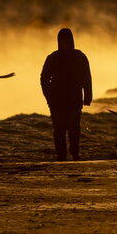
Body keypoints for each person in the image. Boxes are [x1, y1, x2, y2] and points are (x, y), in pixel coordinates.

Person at [40, 28, 92, 161]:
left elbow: (86, 77)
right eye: (62, 39)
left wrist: (88, 96)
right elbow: (44, 79)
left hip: (74, 100)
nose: (64, 42)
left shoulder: (80, 57)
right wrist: (49, 97)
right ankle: (61, 156)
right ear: (58, 41)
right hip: (56, 102)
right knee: (59, 132)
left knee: (74, 130)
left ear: (71, 40)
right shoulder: (52, 58)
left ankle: (75, 155)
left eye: (67, 39)